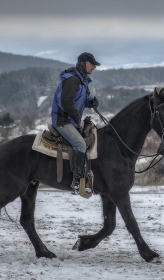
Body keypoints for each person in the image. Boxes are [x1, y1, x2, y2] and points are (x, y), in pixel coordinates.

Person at [51, 52, 100, 195]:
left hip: (71, 120)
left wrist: (91, 102)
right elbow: (66, 102)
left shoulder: (82, 81)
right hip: (63, 120)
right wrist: (77, 114)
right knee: (80, 144)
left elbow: (82, 99)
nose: (94, 68)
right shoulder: (73, 80)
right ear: (84, 64)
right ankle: (76, 182)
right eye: (92, 64)